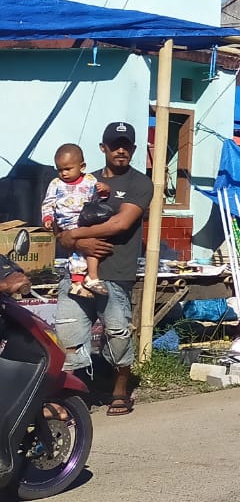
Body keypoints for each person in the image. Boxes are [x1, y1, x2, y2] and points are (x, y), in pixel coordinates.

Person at [54, 122, 153, 417]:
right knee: (70, 335)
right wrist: (75, 242)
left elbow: (120, 223)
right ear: (103, 148)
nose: (121, 150)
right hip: (76, 274)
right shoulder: (83, 179)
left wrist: (75, 237)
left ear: (134, 150)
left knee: (117, 333)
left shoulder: (140, 183)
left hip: (116, 273)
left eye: (127, 145)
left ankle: (120, 389)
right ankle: (69, 397)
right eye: (114, 145)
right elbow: (61, 225)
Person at [42, 143, 111, 297]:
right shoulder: (56, 184)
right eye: (60, 169)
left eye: (67, 169)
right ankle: (78, 281)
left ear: (82, 166)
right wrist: (48, 218)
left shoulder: (89, 180)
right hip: (67, 222)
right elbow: (48, 203)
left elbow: (97, 200)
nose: (63, 173)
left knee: (93, 244)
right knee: (76, 252)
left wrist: (105, 191)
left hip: (86, 220)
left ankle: (91, 277)